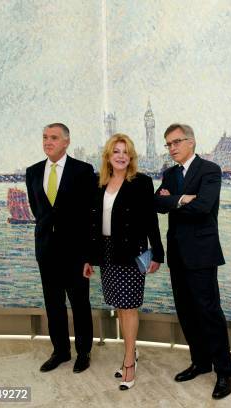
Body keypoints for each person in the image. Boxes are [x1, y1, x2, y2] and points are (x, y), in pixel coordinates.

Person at [155, 123, 231, 399]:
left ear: (191, 142)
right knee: (186, 312)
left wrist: (172, 201)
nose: (172, 148)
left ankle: (225, 370)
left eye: (176, 142)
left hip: (202, 254)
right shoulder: (169, 173)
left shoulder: (210, 170)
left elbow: (203, 208)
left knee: (209, 312)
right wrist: (181, 199)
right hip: (177, 253)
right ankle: (201, 362)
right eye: (168, 144)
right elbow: (156, 204)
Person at [83, 133, 164, 390]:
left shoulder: (141, 183)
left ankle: (129, 361)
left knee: (129, 308)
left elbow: (151, 221)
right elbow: (92, 225)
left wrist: (158, 254)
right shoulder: (99, 183)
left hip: (131, 253)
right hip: (106, 253)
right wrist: (88, 258)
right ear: (108, 156)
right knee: (119, 305)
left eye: (125, 151)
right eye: (115, 151)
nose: (120, 156)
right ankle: (133, 350)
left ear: (131, 157)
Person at [25, 123, 96, 373]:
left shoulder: (83, 170)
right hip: (46, 251)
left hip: (76, 253)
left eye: (54, 138)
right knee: (53, 304)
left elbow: (90, 216)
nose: (48, 142)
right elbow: (39, 211)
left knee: (80, 304)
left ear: (66, 142)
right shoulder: (32, 172)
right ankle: (61, 352)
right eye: (45, 137)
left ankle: (84, 352)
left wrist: (89, 256)